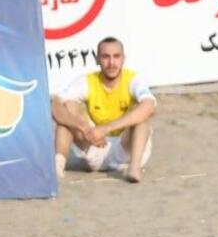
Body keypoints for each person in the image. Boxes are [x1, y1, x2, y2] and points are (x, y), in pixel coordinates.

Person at [51, 36, 156, 183]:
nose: (111, 63)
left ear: (123, 59)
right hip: (95, 146)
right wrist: (85, 128)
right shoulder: (87, 80)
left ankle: (134, 168)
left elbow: (149, 106)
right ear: (97, 59)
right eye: (106, 57)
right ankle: (57, 166)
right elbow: (55, 106)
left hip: (127, 148)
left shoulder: (133, 79)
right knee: (68, 106)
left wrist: (105, 129)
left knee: (141, 113)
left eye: (116, 56)